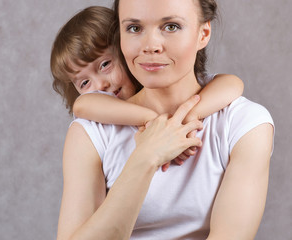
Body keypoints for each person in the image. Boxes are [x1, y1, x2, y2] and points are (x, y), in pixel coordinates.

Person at [56, 0, 274, 239]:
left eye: (171, 26)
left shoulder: (243, 123)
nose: (150, 46)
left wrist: (177, 123)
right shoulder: (90, 132)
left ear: (204, 32)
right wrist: (145, 157)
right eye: (134, 28)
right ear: (121, 38)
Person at [51, 6, 244, 170]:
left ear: (123, 49)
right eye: (84, 83)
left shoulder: (175, 82)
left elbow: (233, 83)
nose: (100, 84)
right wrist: (155, 121)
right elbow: (82, 105)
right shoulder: (97, 120)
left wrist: (188, 118)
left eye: (105, 65)